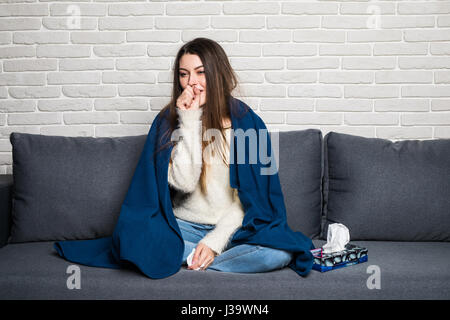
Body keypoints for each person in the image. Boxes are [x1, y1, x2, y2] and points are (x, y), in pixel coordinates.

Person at [159, 37, 293, 273]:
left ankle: (196, 258)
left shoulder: (249, 124)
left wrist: (213, 243)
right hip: (183, 226)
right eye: (184, 74)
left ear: (217, 73)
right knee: (142, 235)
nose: (192, 83)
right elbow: (184, 182)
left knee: (279, 253)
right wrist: (189, 120)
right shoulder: (171, 121)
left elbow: (248, 202)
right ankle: (212, 260)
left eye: (200, 73)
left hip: (233, 229)